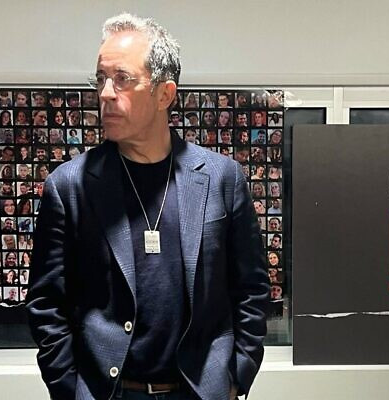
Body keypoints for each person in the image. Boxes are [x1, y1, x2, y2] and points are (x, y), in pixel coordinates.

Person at [26, 13, 268, 400]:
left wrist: (237, 375)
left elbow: (251, 289)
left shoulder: (222, 178)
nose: (106, 93)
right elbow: (47, 303)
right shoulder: (70, 186)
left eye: (122, 79)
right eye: (101, 79)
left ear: (164, 95)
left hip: (199, 391)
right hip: (109, 392)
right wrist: (68, 389)